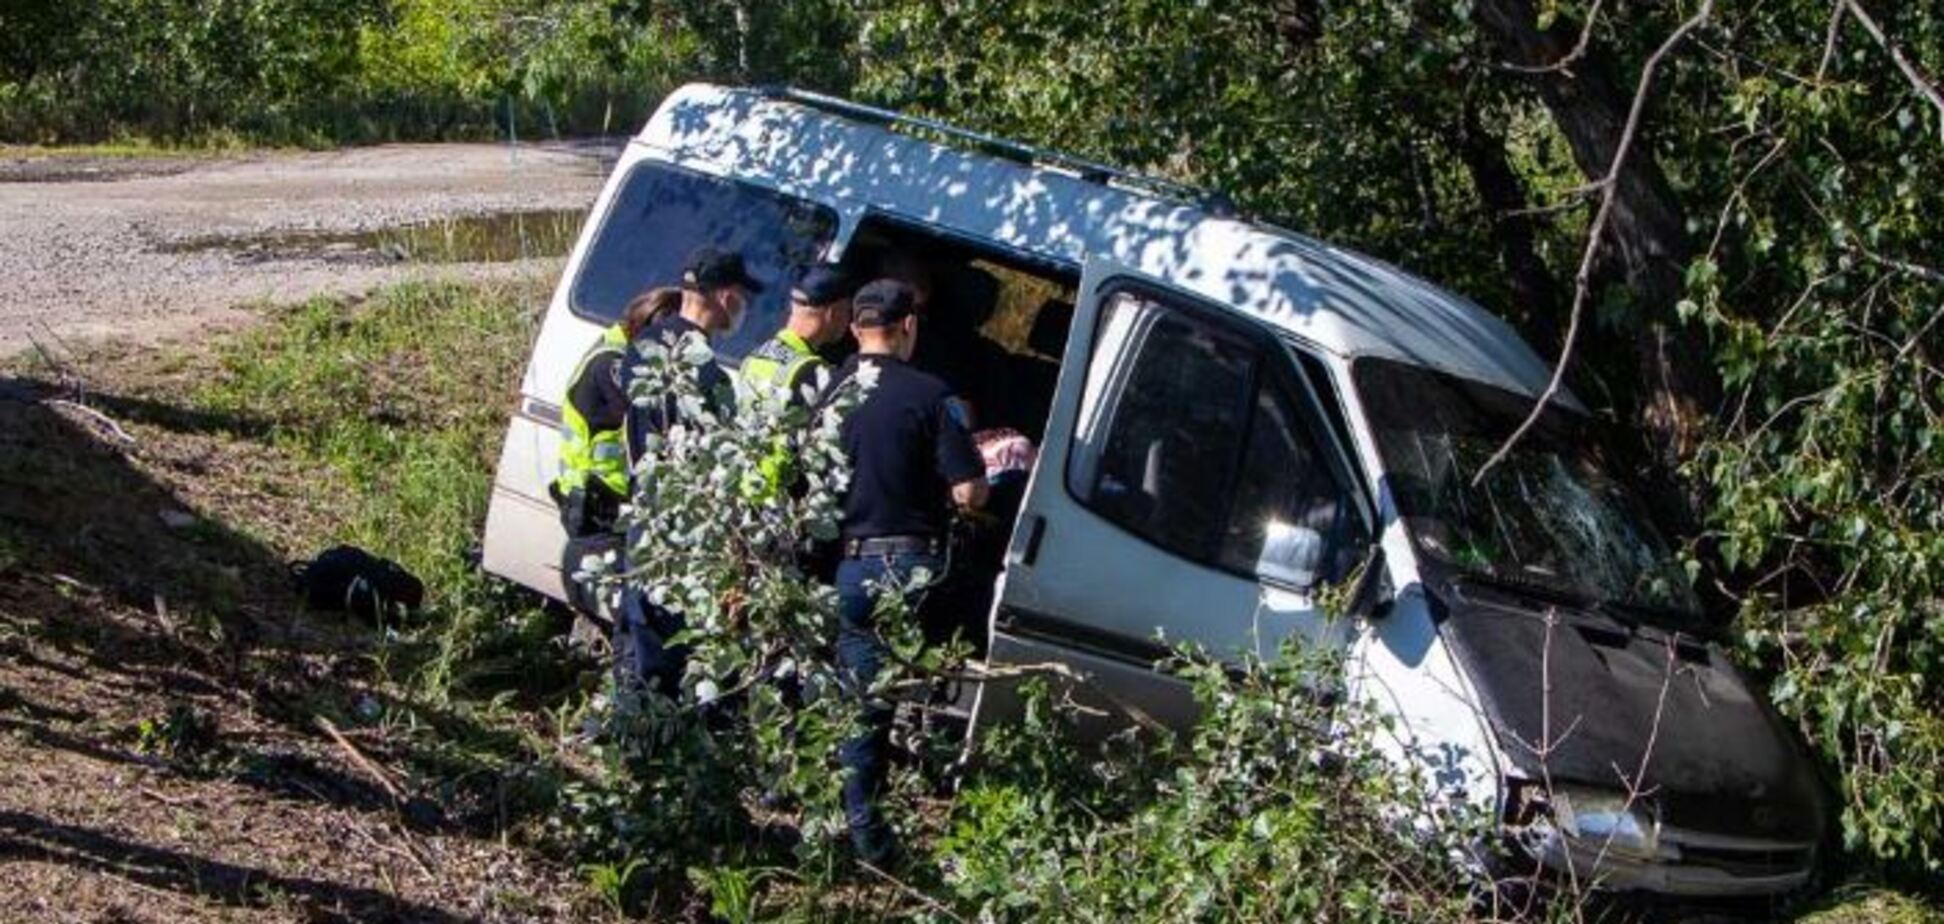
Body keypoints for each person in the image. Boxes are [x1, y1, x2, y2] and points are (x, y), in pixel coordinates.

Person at [818, 278, 989, 864]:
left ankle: (853, 813)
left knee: (859, 699)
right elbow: (969, 491)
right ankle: (871, 837)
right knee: (882, 704)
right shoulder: (929, 393)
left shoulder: (832, 391)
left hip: (850, 563)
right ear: (908, 327)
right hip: (910, 568)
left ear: (854, 328)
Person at [613, 245, 765, 695]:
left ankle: (627, 735)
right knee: (666, 651)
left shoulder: (643, 346)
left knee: (635, 643)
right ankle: (655, 748)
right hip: (681, 530)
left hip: (644, 517)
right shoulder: (704, 372)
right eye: (741, 296)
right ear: (725, 296)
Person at [553, 286, 680, 622]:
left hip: (603, 510)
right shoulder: (612, 365)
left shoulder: (617, 348)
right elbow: (655, 413)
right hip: (598, 515)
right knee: (633, 623)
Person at [738, 265, 856, 402]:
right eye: (848, 311)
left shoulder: (754, 357)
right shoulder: (815, 373)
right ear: (833, 313)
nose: (849, 320)